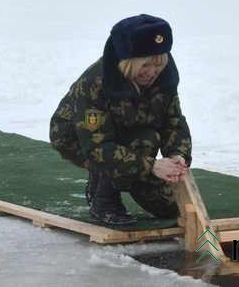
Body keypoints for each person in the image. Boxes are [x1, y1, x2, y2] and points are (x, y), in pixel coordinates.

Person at [49, 14, 192, 227]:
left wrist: (178, 155)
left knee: (169, 209)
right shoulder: (95, 83)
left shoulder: (164, 78)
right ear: (126, 62)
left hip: (135, 138)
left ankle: (125, 177)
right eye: (144, 66)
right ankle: (104, 200)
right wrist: (151, 166)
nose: (152, 72)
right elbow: (97, 147)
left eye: (158, 64)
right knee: (142, 141)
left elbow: (172, 120)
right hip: (78, 139)